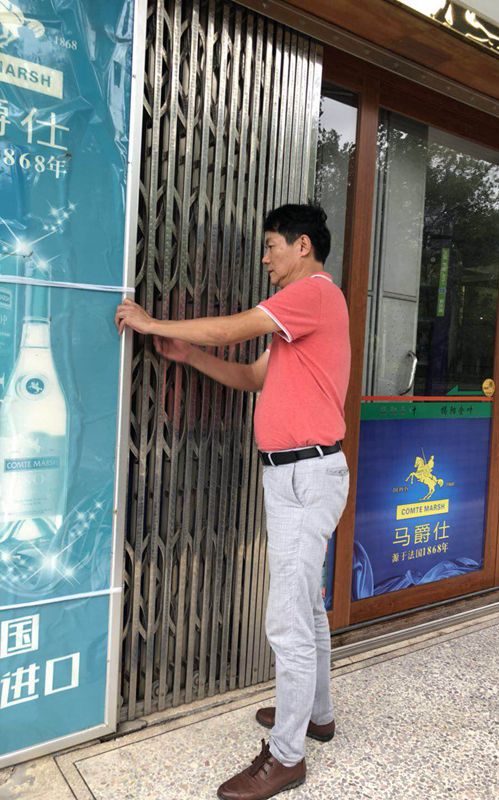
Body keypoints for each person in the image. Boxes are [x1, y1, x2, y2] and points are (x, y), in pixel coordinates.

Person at [115, 203, 351, 800]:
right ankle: (315, 714)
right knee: (306, 607)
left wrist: (153, 323)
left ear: (302, 246)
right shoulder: (298, 318)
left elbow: (231, 328)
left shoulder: (314, 294)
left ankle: (287, 757)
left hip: (305, 476)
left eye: (272, 245)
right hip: (295, 476)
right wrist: (189, 356)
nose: (265, 257)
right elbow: (252, 377)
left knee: (287, 619)